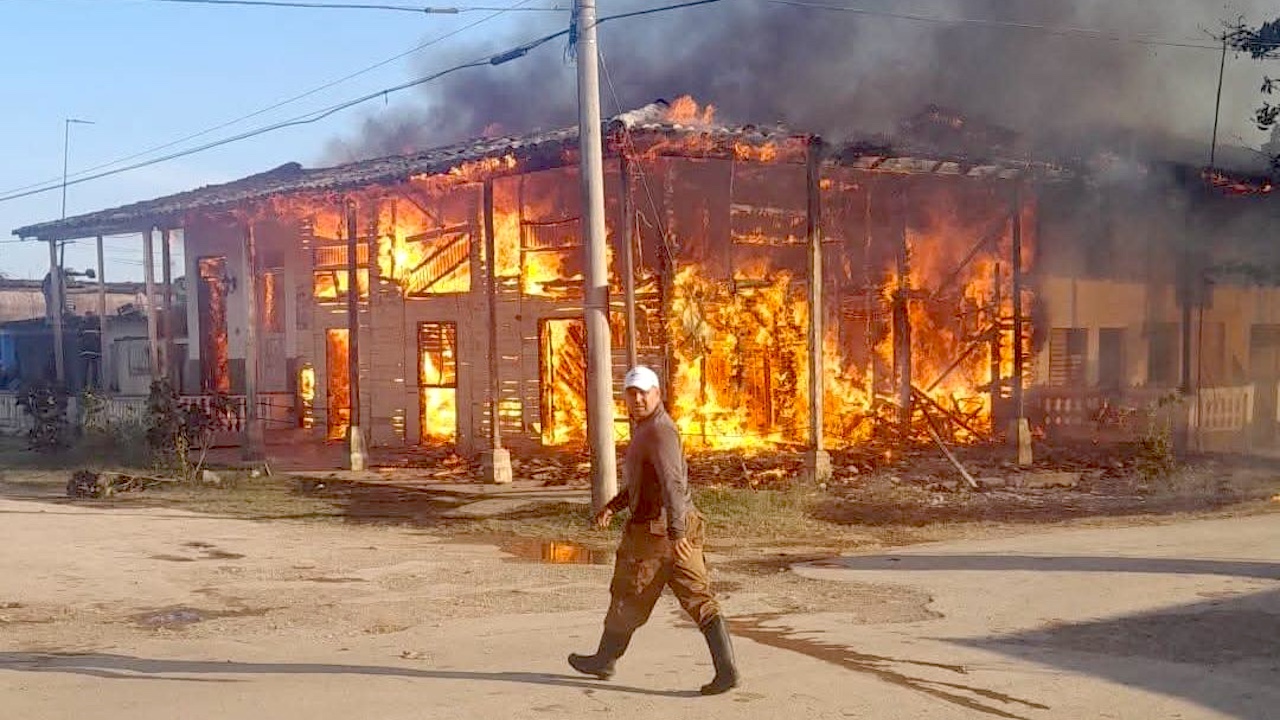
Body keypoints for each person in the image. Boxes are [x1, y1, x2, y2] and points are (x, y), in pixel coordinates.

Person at [567, 365, 740, 695]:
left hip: (657, 534)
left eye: (643, 392)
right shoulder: (648, 428)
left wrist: (676, 535)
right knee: (699, 597)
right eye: (631, 394)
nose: (637, 399)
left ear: (657, 394)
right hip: (677, 526)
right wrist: (614, 506)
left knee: (628, 593)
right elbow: (644, 482)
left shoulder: (659, 431)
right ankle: (726, 670)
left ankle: (604, 659)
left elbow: (672, 483)